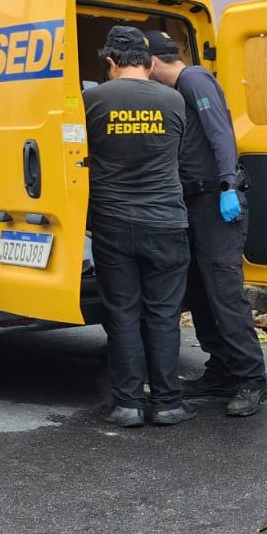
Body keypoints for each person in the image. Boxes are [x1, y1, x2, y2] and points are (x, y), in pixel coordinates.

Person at [145, 29, 267, 418]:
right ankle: (221, 370)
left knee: (223, 290)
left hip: (216, 202)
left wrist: (228, 184)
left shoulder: (194, 79)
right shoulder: (179, 90)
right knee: (200, 290)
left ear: (151, 63)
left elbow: (220, 132)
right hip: (194, 202)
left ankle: (252, 380)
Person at [84, 25, 194, 428]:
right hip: (166, 222)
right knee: (163, 316)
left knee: (123, 314)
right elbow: (177, 154)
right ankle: (167, 403)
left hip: (113, 226)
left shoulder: (91, 99)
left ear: (111, 62)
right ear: (148, 63)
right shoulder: (174, 101)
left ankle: (127, 404)